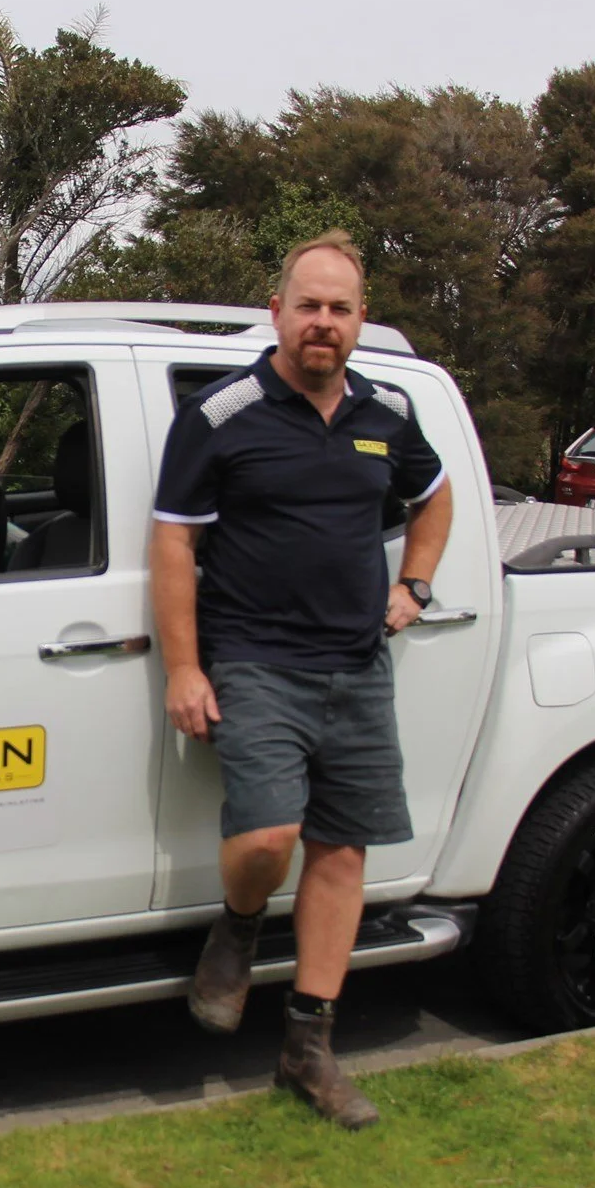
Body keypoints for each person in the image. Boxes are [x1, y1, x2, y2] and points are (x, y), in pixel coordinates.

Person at [149, 230, 454, 1129]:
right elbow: (174, 539)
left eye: (341, 308)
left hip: (357, 664)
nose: (324, 322)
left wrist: (416, 584)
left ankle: (308, 1049)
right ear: (276, 311)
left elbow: (433, 497)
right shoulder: (220, 414)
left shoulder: (387, 412)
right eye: (309, 305)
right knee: (267, 839)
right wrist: (183, 666)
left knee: (342, 852)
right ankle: (239, 925)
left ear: (361, 321)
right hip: (255, 659)